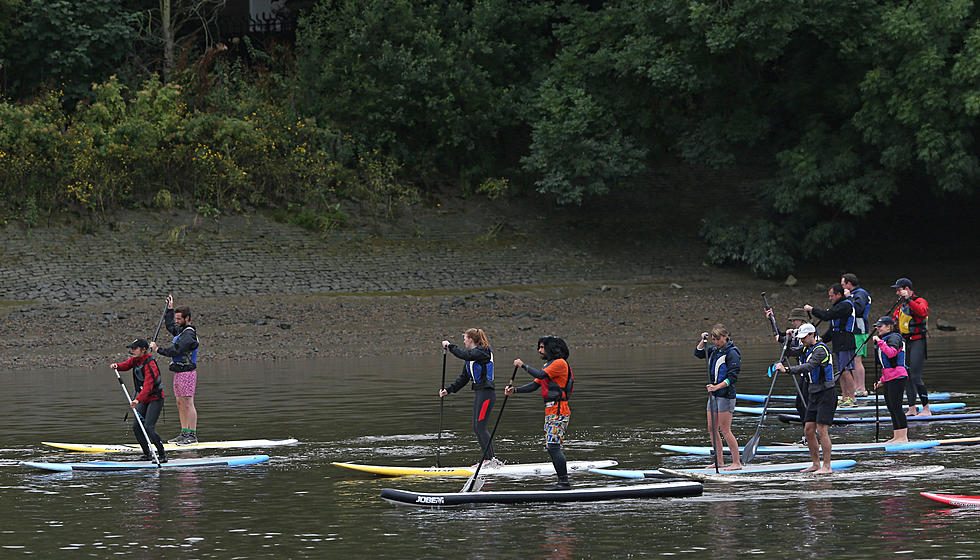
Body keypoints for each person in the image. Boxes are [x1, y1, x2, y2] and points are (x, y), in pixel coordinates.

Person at [506, 336, 574, 490]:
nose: (539, 350)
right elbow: (535, 385)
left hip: (559, 410)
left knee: (553, 447)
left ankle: (564, 483)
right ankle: (562, 482)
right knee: (551, 446)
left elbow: (540, 375)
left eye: (542, 347)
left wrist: (523, 365)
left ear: (551, 349)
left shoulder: (559, 363)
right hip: (550, 410)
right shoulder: (549, 365)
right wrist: (514, 390)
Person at [773, 323, 836, 473]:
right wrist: (787, 340)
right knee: (808, 430)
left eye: (803, 338)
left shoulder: (821, 350)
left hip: (826, 394)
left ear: (812, 335)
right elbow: (789, 352)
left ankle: (827, 466)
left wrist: (787, 370)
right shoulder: (806, 348)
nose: (801, 340)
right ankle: (815, 464)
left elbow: (808, 366)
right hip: (813, 393)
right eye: (799, 338)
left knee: (822, 430)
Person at [439, 329, 497, 466]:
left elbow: (464, 354)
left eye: (465, 338)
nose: (464, 341)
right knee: (477, 427)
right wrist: (448, 390)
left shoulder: (483, 352)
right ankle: (487, 460)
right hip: (480, 394)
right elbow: (463, 378)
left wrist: (450, 346)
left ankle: (491, 460)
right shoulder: (471, 359)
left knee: (480, 427)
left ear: (470, 339)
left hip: (487, 394)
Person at [149, 294, 200, 444]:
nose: (176, 322)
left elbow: (176, 350)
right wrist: (169, 310)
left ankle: (192, 435)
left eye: (179, 319)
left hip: (187, 372)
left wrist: (158, 349)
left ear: (187, 318)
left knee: (188, 402)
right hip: (179, 372)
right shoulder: (181, 331)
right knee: (179, 402)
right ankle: (184, 433)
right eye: (176, 318)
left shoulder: (189, 334)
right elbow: (170, 326)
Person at [694, 324, 742, 471]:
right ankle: (719, 461)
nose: (715, 342)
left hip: (725, 395)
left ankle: (736, 463)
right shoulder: (714, 350)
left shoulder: (732, 353)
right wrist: (703, 340)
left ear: (725, 337)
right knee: (711, 428)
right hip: (713, 395)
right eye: (713, 339)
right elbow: (698, 353)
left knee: (725, 429)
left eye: (718, 339)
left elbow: (732, 378)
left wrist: (716, 387)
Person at [111, 339, 167, 462]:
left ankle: (162, 455)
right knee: (137, 427)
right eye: (132, 348)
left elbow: (148, 385)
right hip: (144, 399)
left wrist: (137, 400)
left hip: (155, 399)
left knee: (149, 427)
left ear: (143, 349)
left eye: (135, 348)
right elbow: (125, 365)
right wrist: (117, 366)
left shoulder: (150, 364)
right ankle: (147, 454)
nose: (132, 350)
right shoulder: (135, 360)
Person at [805, 284, 857, 407]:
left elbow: (826, 316)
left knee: (845, 371)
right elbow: (833, 327)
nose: (830, 298)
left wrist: (812, 310)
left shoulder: (845, 305)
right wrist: (823, 338)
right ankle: (845, 397)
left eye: (832, 296)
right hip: (838, 341)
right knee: (840, 371)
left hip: (846, 340)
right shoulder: (837, 306)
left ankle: (853, 398)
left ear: (839, 295)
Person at [890, 278, 931, 416]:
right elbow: (894, 320)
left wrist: (908, 300)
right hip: (906, 343)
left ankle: (926, 409)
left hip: (918, 342)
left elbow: (922, 312)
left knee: (915, 376)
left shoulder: (920, 301)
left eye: (898, 290)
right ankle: (912, 408)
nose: (897, 293)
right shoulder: (900, 307)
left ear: (906, 289)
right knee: (906, 375)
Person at [872, 316, 910, 443]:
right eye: (877, 326)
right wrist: (882, 380)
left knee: (897, 406)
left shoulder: (895, 337)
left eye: (880, 326)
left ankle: (903, 437)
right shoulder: (886, 339)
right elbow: (886, 364)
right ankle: (897, 436)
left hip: (898, 376)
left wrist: (880, 342)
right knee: (891, 407)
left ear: (889, 326)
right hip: (889, 377)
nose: (878, 329)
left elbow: (892, 353)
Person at [842, 273, 872, 397]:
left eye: (843, 284)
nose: (842, 286)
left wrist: (849, 298)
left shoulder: (860, 294)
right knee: (853, 358)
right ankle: (855, 388)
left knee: (856, 359)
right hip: (852, 331)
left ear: (849, 284)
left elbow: (858, 310)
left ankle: (861, 388)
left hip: (859, 331)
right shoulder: (855, 294)